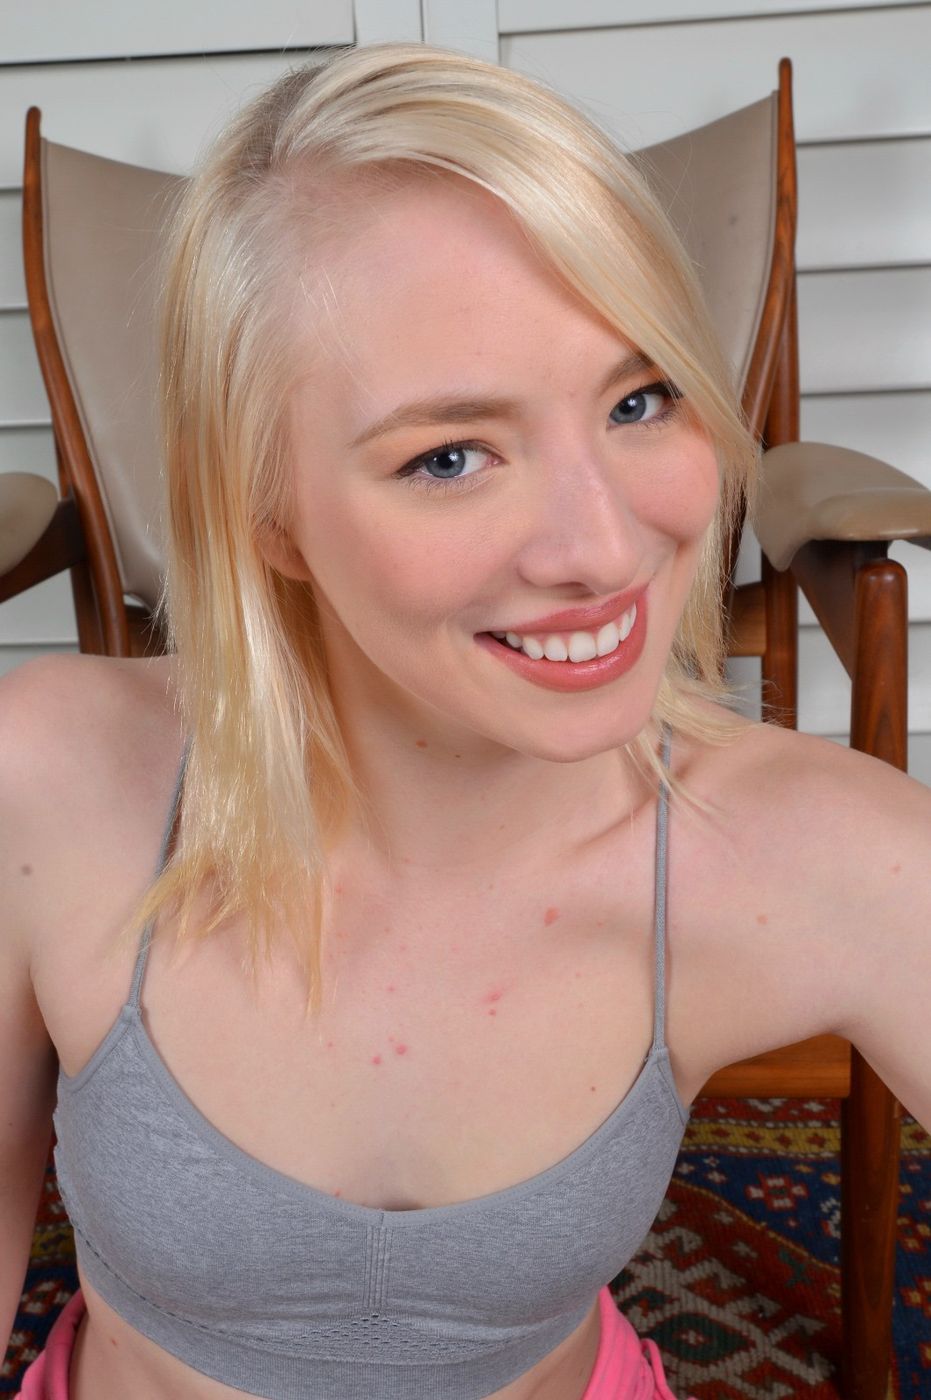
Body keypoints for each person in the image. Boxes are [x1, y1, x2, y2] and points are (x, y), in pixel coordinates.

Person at [1, 41, 928, 1400]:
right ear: (267, 511)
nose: (604, 548)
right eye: (449, 455)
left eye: (640, 398)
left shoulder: (809, 852)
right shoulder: (49, 782)